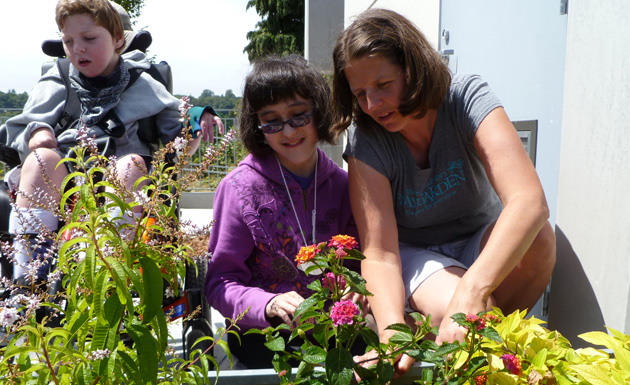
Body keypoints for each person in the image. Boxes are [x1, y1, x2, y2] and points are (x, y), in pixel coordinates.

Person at [331, 8, 556, 376]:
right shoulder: (366, 140)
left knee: (539, 241)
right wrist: (391, 335)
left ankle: (467, 341)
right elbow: (381, 253)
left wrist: (473, 291)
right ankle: (468, 348)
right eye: (360, 93)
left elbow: (529, 201)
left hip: (478, 236)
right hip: (416, 253)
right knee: (453, 312)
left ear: (413, 68)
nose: (372, 105)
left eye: (383, 85)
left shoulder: (465, 96)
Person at [1, 0, 223, 286]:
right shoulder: (58, 77)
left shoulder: (144, 83)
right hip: (67, 179)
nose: (78, 48)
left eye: (89, 39)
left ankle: (107, 268)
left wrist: (195, 120)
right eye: (68, 41)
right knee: (41, 159)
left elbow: (178, 139)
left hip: (124, 180)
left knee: (131, 164)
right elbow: (23, 124)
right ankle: (30, 277)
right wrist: (38, 133)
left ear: (119, 40)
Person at [204, 55, 365, 368]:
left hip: (336, 334)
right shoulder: (238, 188)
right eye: (272, 121)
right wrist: (268, 304)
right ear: (257, 125)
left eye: (298, 116)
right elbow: (220, 282)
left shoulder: (346, 185)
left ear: (320, 111)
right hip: (265, 340)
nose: (288, 131)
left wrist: (358, 288)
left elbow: (363, 263)